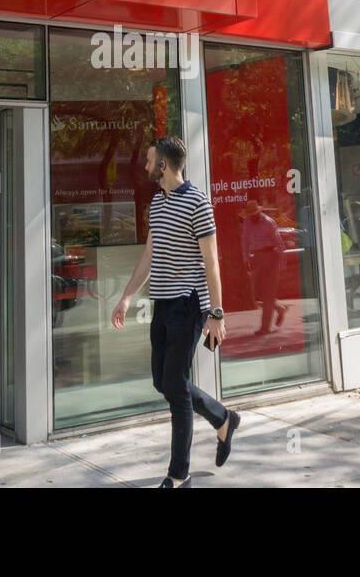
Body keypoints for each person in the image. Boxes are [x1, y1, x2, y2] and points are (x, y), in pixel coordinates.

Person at [112, 136, 239, 487]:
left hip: (190, 303)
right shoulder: (157, 202)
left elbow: (211, 262)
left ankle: (178, 474)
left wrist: (216, 312)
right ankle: (223, 418)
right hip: (163, 302)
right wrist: (126, 296)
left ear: (163, 165)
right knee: (163, 381)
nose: (146, 165)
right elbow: (149, 256)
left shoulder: (198, 203)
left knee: (175, 385)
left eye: (150, 160)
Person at [240, 197, 288, 335]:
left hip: (270, 256)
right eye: (250, 215)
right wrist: (246, 259)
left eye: (254, 214)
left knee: (268, 292)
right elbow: (245, 240)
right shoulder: (248, 221)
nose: (252, 217)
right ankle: (280, 308)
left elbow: (279, 244)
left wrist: (282, 264)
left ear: (258, 212)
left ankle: (265, 328)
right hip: (257, 257)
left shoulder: (268, 222)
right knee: (257, 292)